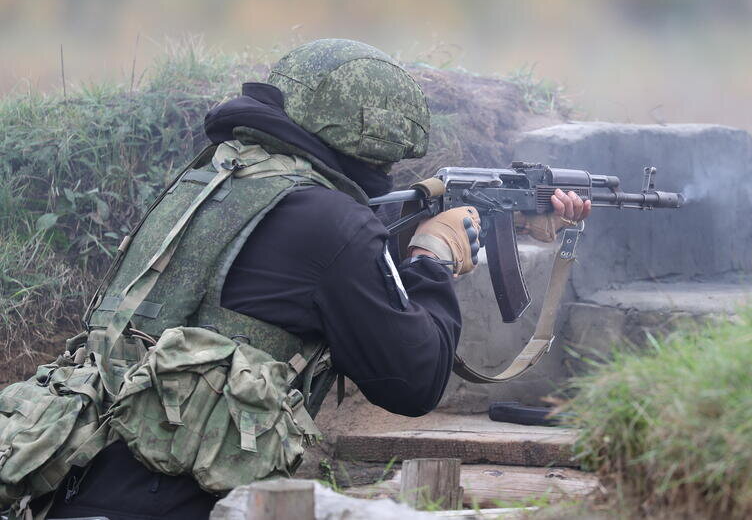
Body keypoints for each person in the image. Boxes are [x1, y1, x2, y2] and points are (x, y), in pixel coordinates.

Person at [42, 39, 590, 520]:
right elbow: (414, 379)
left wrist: (506, 221)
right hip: (182, 502)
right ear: (371, 137)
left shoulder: (211, 181)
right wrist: (434, 255)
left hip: (81, 477)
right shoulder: (331, 222)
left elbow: (305, 275)